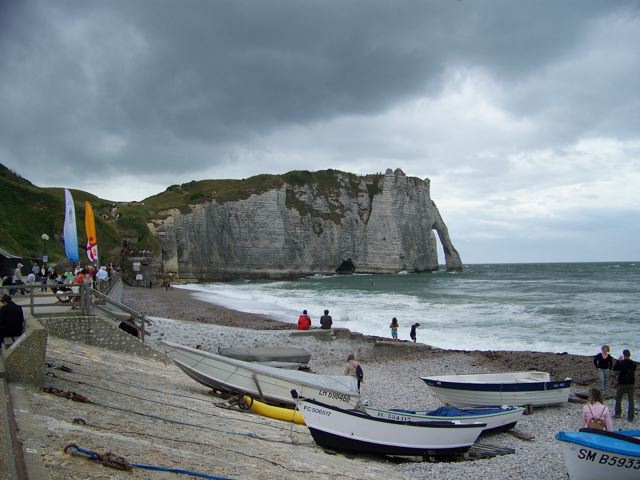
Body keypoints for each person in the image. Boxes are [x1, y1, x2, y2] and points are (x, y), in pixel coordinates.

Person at [613, 349, 636, 421]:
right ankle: (630, 417)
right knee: (631, 400)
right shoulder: (633, 363)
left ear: (624, 355)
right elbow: (634, 369)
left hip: (622, 383)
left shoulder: (622, 362)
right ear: (630, 355)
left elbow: (614, 368)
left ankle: (617, 413)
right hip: (631, 383)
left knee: (618, 398)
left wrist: (618, 361)